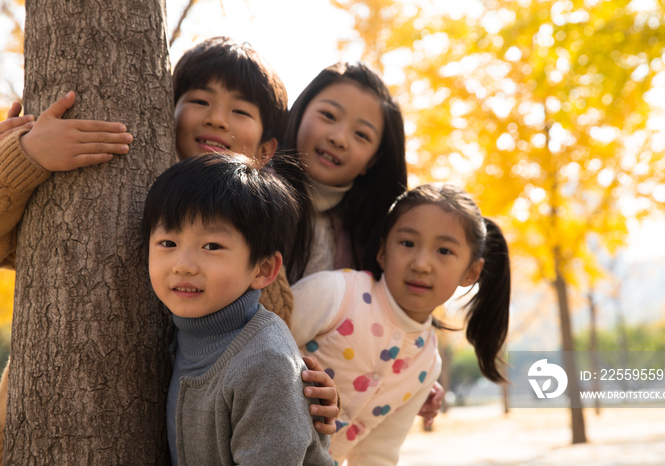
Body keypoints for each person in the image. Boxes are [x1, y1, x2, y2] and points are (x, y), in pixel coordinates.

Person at [0, 37, 337, 456]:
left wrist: (311, 392)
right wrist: (24, 153)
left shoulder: (260, 251)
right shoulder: (126, 194)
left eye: (240, 110)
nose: (217, 119)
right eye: (199, 100)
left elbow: (268, 357)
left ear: (267, 149)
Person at [272, 61, 445, 425]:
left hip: (315, 418)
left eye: (362, 135)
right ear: (300, 112)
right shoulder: (248, 191)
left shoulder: (370, 237)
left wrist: (409, 376)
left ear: (373, 161)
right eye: (328, 115)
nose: (339, 137)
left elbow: (380, 320)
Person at [290, 183, 511, 465]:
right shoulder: (336, 294)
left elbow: (377, 453)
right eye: (407, 243)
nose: (421, 264)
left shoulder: (427, 364)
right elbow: (255, 345)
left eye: (444, 251)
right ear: (383, 251)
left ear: (471, 272)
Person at [142, 152, 333, 465]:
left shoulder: (265, 361)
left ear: (263, 269)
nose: (183, 265)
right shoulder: (180, 333)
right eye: (168, 243)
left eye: (212, 246)